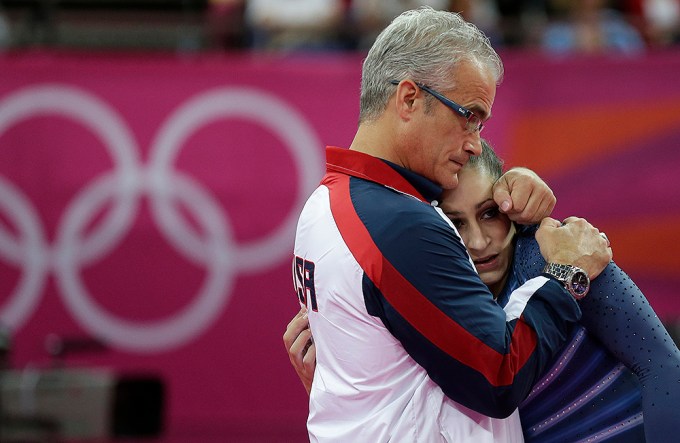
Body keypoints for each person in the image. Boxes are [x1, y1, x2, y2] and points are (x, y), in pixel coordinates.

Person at [292, 7, 612, 442]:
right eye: (469, 115)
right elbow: (498, 377)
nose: (474, 142)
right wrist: (566, 274)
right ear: (408, 99)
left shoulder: (324, 202)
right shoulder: (401, 224)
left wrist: (517, 184)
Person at [287, 140, 680, 442]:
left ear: (511, 206)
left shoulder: (560, 254)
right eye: (455, 223)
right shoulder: (421, 301)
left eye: (489, 213)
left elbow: (663, 366)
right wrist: (331, 385)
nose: (478, 242)